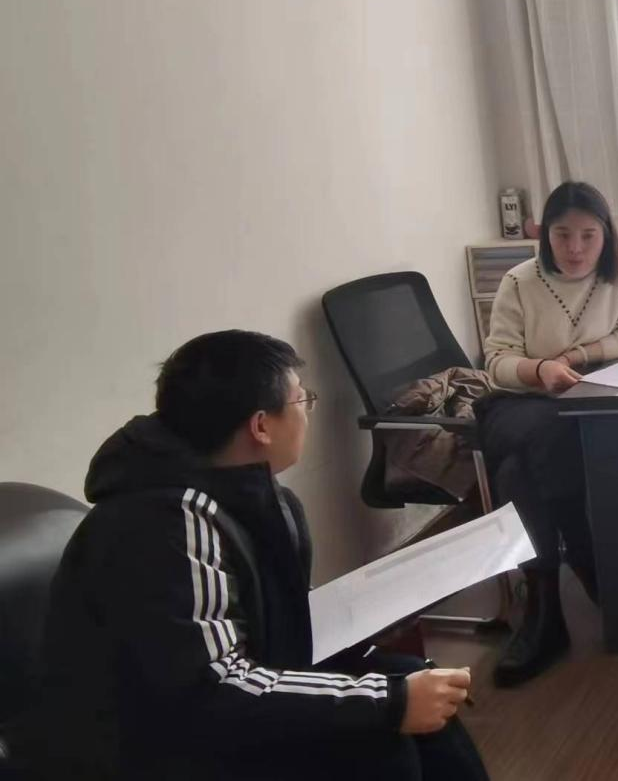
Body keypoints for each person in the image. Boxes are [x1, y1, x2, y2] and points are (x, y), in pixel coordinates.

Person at [33, 331, 489, 781]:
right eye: (302, 399)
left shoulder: (245, 491)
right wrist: (390, 703)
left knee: (412, 683)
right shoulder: (168, 522)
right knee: (384, 737)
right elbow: (209, 689)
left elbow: (265, 612)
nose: (307, 411)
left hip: (221, 701)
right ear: (261, 426)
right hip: (152, 748)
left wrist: (375, 630)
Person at [481, 181, 618, 686]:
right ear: (544, 235)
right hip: (525, 401)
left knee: (516, 472)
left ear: (605, 235)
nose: (575, 248)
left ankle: (545, 612)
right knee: (539, 443)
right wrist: (539, 370)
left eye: (588, 236)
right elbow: (496, 361)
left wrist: (578, 355)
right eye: (562, 235)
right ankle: (584, 554)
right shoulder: (519, 281)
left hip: (597, 394)